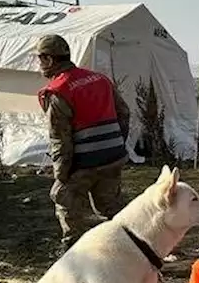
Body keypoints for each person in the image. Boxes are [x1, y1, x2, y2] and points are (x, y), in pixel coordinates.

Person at [35, 34, 131, 250]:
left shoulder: (58, 92)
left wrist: (61, 175)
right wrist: (117, 144)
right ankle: (128, 246)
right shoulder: (100, 79)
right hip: (113, 156)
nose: (39, 65)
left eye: (40, 59)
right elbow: (124, 113)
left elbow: (60, 140)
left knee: (64, 200)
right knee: (111, 207)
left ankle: (73, 251)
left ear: (50, 60)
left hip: (85, 162)